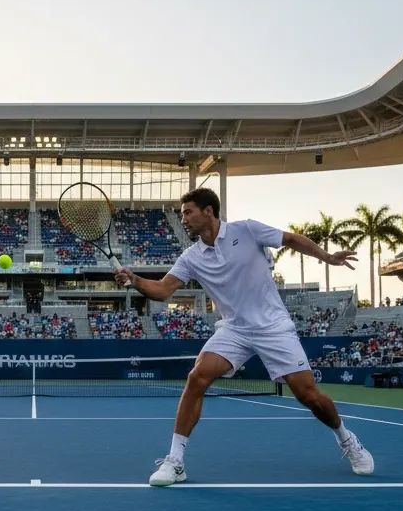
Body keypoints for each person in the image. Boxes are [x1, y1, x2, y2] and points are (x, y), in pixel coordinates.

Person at [114, 187, 374, 486]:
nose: (183, 219)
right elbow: (162, 290)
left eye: (188, 212)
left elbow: (290, 239)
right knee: (197, 376)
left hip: (272, 326)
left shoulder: (247, 230)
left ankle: (346, 439)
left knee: (308, 396)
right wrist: (133, 279)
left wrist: (327, 257)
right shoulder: (191, 257)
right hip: (234, 329)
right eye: (182, 214)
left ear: (208, 211)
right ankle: (175, 462)